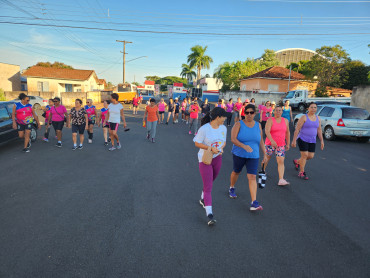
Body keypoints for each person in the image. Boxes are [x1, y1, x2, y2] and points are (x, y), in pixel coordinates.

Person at [194, 107, 228, 225]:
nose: (225, 119)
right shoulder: (204, 129)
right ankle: (209, 214)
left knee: (210, 182)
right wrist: (210, 148)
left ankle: (203, 197)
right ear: (218, 117)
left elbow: (223, 142)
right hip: (205, 160)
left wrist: (220, 148)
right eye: (224, 117)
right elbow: (197, 143)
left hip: (217, 158)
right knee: (209, 187)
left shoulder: (223, 128)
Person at [229, 104, 265, 211]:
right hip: (239, 154)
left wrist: (265, 154)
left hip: (254, 155)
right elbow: (233, 139)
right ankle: (232, 187)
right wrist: (244, 146)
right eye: (247, 112)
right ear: (244, 113)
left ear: (255, 113)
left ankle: (254, 202)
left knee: (252, 177)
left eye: (251, 112)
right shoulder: (238, 124)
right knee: (236, 172)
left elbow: (261, 140)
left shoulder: (258, 125)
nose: (249, 115)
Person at [291, 102, 324, 180]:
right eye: (311, 107)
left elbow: (319, 129)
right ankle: (301, 172)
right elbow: (297, 129)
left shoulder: (318, 118)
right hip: (302, 138)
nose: (313, 109)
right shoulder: (304, 117)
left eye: (315, 107)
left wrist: (322, 141)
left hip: (312, 140)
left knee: (310, 156)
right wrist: (294, 140)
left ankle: (298, 161)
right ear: (308, 108)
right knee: (305, 155)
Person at [263, 105, 291, 186]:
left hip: (281, 144)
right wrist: (272, 141)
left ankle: (281, 179)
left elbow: (287, 132)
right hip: (270, 144)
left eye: (280, 110)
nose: (278, 112)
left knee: (281, 161)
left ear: (282, 112)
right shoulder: (270, 120)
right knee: (267, 158)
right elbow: (267, 131)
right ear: (274, 111)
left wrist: (288, 143)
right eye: (277, 110)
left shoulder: (285, 121)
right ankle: (263, 170)